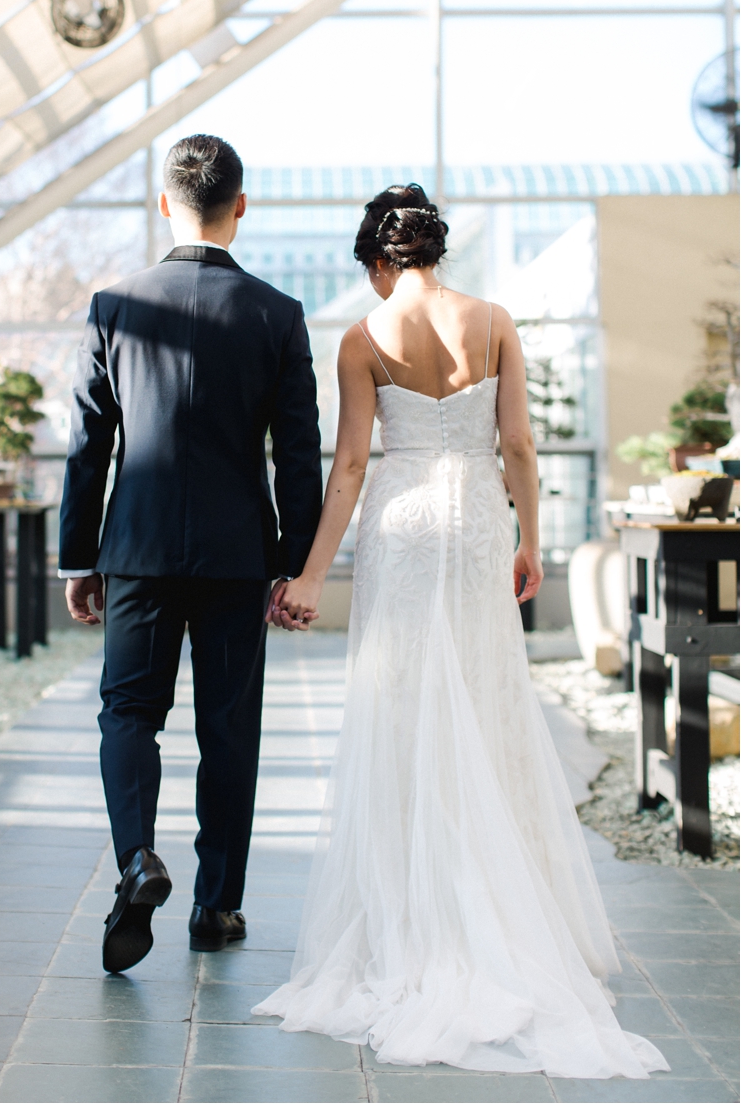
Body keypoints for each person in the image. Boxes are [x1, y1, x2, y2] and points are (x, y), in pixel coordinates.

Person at [253, 185, 669, 1080]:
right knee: (482, 702)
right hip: (477, 518)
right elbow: (516, 443)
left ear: (376, 260)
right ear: (434, 251)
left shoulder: (364, 338)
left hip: (402, 523)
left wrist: (316, 574)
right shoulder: (494, 320)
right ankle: (507, 911)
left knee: (401, 706)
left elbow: (354, 462)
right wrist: (531, 540)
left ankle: (416, 911)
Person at [59, 134, 323, 973]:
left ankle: (137, 858)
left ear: (163, 202)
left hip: (134, 549)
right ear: (240, 206)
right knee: (229, 729)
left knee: (129, 713)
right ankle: (216, 907)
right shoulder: (278, 314)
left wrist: (78, 558)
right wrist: (294, 560)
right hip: (238, 554)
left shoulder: (114, 304)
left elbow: (86, 448)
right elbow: (299, 453)